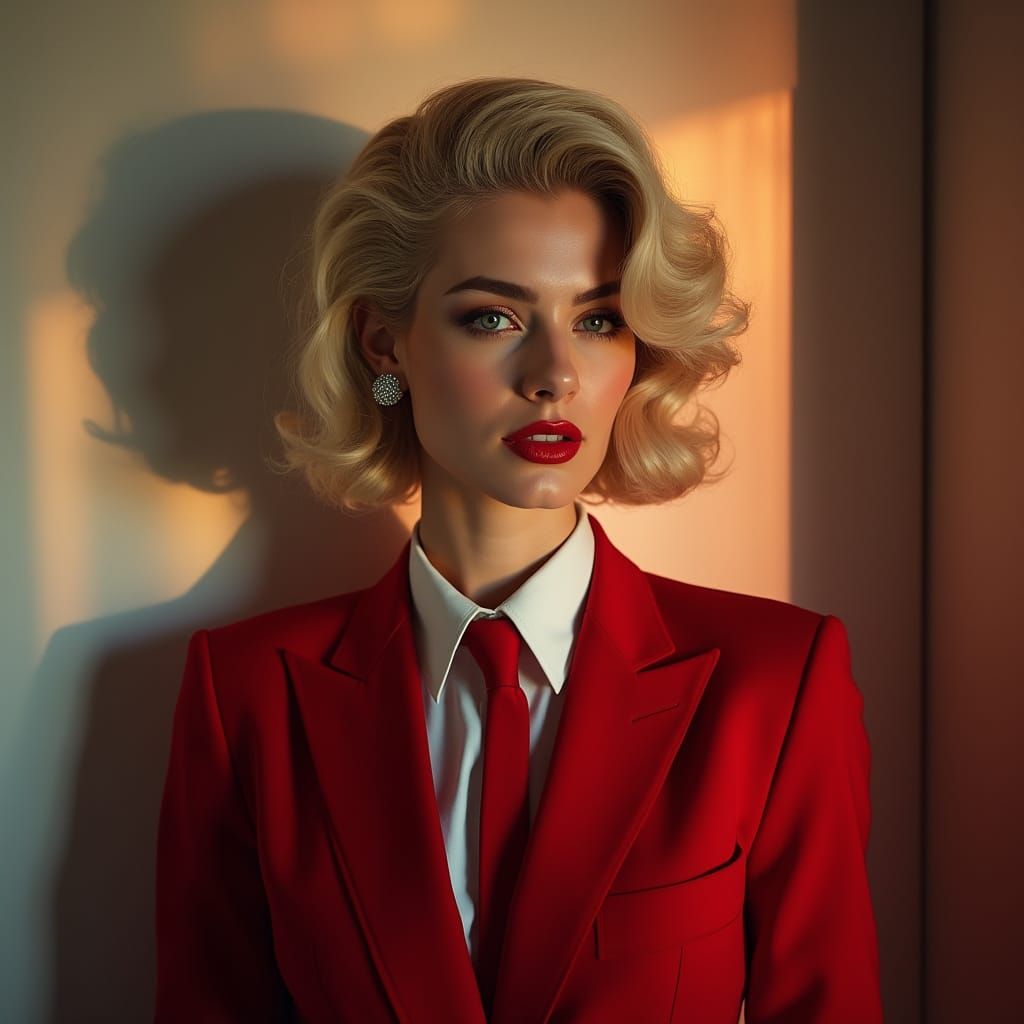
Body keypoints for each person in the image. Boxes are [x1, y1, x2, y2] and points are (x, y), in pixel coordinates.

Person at [154, 77, 884, 1023]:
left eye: (597, 319)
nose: (554, 374)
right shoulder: (245, 693)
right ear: (386, 344)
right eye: (492, 316)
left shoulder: (776, 683)